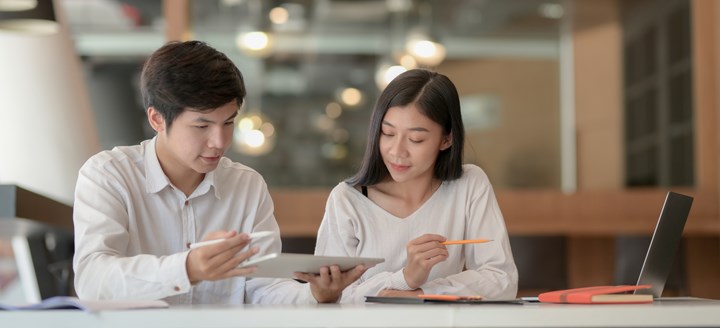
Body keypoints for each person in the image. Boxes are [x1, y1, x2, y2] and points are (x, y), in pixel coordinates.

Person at [72, 40, 365, 305]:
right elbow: (93, 280)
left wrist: (314, 294)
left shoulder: (246, 185)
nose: (220, 142)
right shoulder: (108, 175)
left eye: (228, 123)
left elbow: (263, 289)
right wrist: (187, 268)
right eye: (202, 126)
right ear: (157, 119)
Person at [315, 68, 518, 303]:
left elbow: (501, 279)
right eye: (388, 133)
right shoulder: (347, 199)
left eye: (416, 139)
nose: (397, 151)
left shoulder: (469, 184)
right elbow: (334, 297)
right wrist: (406, 278)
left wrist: (422, 292)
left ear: (447, 139)